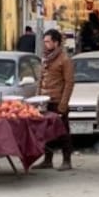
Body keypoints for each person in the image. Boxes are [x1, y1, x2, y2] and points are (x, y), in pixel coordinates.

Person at [33, 30, 75, 172]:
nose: (45, 44)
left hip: (58, 101)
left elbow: (69, 83)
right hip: (45, 101)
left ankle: (67, 161)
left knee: (63, 132)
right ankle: (47, 160)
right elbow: (41, 80)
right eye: (44, 42)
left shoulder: (64, 59)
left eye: (48, 41)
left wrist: (63, 106)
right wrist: (37, 97)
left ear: (56, 43)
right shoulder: (45, 58)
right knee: (46, 132)